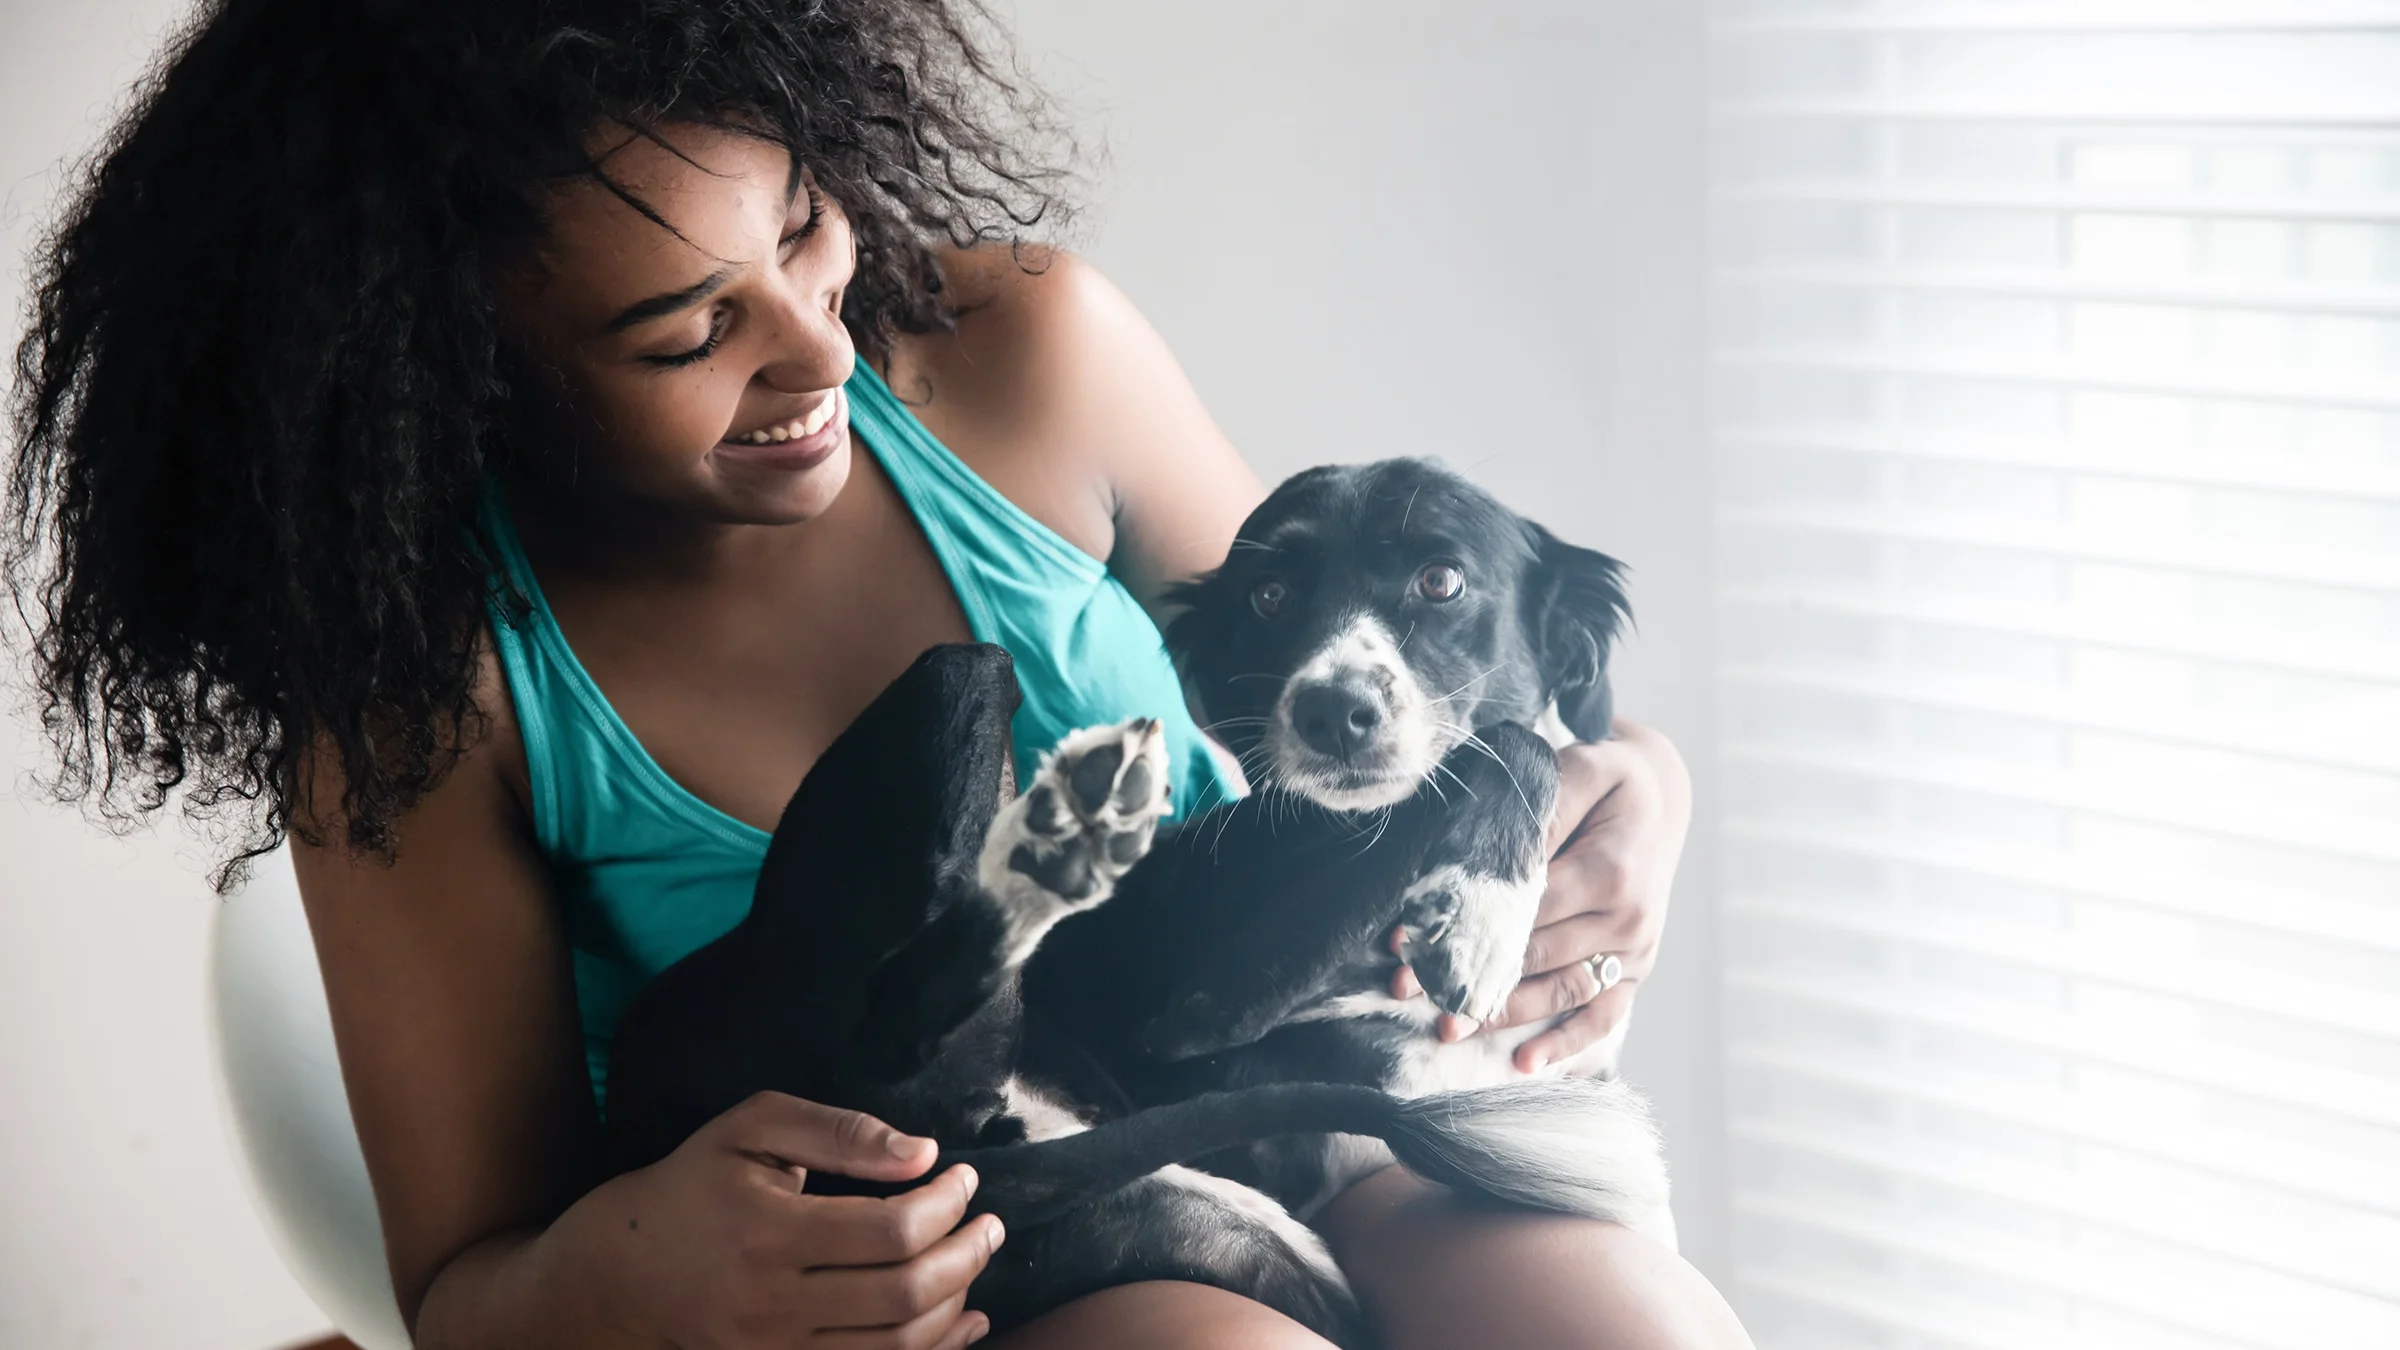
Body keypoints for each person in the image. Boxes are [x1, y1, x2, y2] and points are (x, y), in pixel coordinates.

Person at [6, 2, 1748, 1346]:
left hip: (1311, 1083)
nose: (821, 343)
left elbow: (1354, 681)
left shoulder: (1028, 354)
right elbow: (466, 1280)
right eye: (692, 329)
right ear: (452, 383)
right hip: (974, 1235)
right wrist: (633, 1258)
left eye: (807, 226)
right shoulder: (422, 685)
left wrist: (1631, 791)